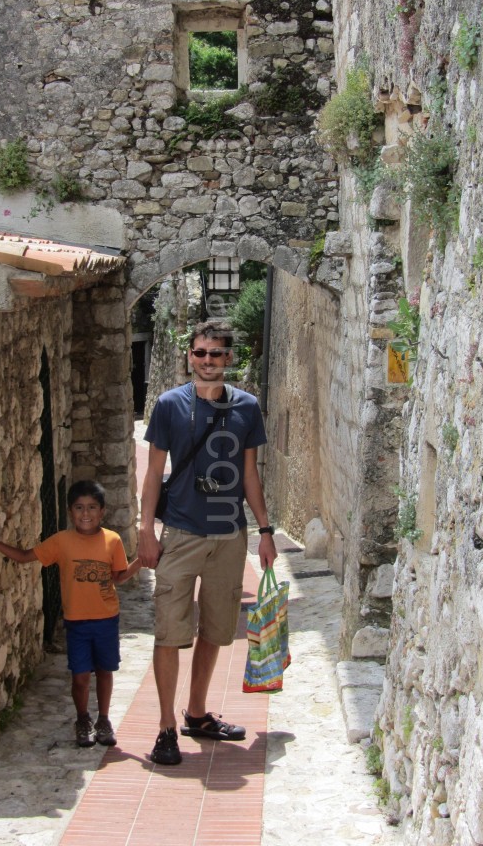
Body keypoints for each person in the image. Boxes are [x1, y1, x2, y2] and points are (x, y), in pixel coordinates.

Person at [138, 319, 278, 765]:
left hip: (228, 535)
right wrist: (145, 530)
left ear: (228, 358)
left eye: (216, 354)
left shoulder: (247, 408)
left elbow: (250, 473)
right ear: (190, 356)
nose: (207, 360)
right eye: (200, 353)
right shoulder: (168, 405)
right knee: (168, 632)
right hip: (179, 534)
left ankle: (196, 714)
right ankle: (164, 728)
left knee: (216, 631)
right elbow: (152, 472)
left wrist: (266, 531)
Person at [0, 479, 141, 748]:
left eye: (92, 507)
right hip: (77, 622)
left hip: (106, 619)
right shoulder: (61, 541)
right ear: (70, 511)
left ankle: (104, 719)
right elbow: (25, 556)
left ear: (102, 511)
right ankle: (83, 719)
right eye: (79, 507)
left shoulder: (112, 540)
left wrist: (141, 561)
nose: (86, 514)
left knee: (105, 670)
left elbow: (118, 577)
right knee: (80, 676)